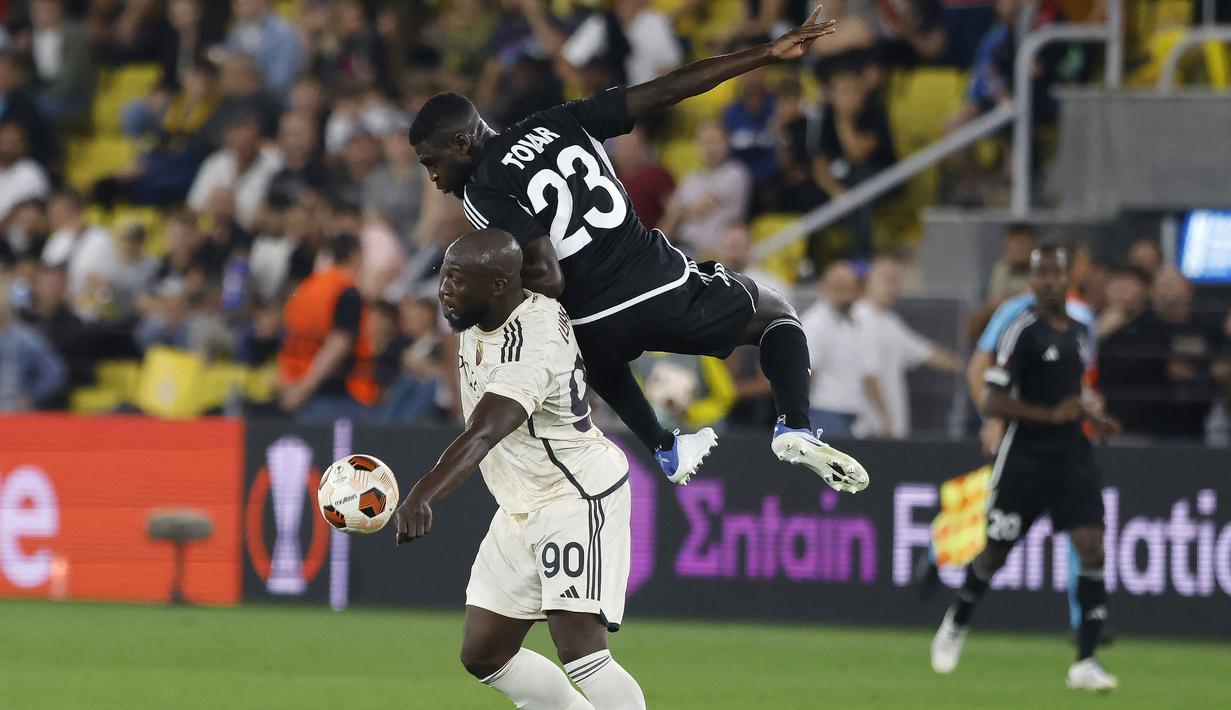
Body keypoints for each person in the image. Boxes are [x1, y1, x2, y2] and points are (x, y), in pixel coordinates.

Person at [410, 8, 868, 493]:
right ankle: (793, 425)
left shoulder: (481, 193)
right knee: (777, 315)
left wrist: (495, 309)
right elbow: (668, 89)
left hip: (593, 326)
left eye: (432, 162)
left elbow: (548, 277)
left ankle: (664, 446)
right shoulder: (561, 119)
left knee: (590, 344)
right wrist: (767, 53)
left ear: (463, 142)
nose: (433, 176)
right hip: (661, 283)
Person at [394, 228, 645, 710]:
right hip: (521, 502)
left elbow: (487, 430)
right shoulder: (487, 308)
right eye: (444, 277)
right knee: (484, 652)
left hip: (573, 493)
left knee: (581, 652)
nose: (444, 290)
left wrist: (424, 493)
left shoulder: (531, 344)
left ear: (497, 285)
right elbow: (541, 264)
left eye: (457, 280)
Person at [930, 245, 1121, 693]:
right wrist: (1050, 415)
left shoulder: (1080, 330)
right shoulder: (1021, 330)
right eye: (1042, 274)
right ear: (1032, 281)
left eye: (1057, 272)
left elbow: (1076, 390)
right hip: (1025, 459)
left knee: (1091, 545)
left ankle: (1086, 660)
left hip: (1072, 455)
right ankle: (957, 620)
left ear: (1067, 278)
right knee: (996, 552)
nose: (1050, 281)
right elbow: (992, 400)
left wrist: (1093, 415)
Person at [853, 256, 961, 438]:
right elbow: (868, 375)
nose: (894, 288)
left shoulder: (890, 322)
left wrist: (968, 367)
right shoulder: (860, 317)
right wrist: (884, 417)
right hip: (870, 427)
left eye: (898, 282)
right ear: (868, 281)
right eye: (889, 280)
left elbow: (926, 352)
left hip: (891, 427)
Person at [277, 233, 378, 422]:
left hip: (295, 390)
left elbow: (288, 340)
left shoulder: (305, 289)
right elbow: (339, 343)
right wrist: (304, 388)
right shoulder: (346, 290)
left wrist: (289, 388)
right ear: (354, 256)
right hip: (338, 395)